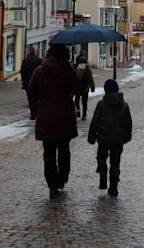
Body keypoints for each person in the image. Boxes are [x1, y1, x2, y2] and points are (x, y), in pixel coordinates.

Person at [29, 43, 85, 199]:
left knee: (48, 153)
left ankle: (52, 185)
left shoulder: (40, 70)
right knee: (64, 150)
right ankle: (62, 179)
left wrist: (43, 99)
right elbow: (78, 90)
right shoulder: (67, 70)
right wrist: (82, 76)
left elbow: (32, 90)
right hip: (64, 118)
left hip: (46, 118)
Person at [87, 78, 132, 197]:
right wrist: (127, 137)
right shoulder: (124, 105)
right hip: (118, 140)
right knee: (115, 162)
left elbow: (95, 122)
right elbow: (128, 123)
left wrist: (91, 137)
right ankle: (113, 187)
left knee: (101, 157)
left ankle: (102, 177)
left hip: (103, 139)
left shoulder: (101, 104)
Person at [20, 46, 41, 120]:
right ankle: (37, 113)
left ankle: (33, 115)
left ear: (29, 52)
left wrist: (24, 80)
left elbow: (22, 72)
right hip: (38, 82)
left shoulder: (25, 61)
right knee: (37, 98)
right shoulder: (39, 60)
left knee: (31, 99)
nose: (26, 52)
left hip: (28, 83)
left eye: (26, 51)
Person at [74, 55, 95, 120]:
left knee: (77, 100)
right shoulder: (88, 70)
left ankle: (78, 111)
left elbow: (74, 79)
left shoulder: (77, 69)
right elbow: (91, 80)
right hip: (85, 89)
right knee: (84, 102)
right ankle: (84, 115)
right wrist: (92, 88)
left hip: (77, 88)